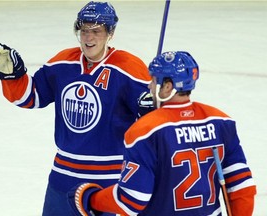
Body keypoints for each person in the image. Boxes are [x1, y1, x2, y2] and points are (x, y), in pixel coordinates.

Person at [0, 1, 152, 216]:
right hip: (63, 175)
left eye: (96, 31)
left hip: (108, 182)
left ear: (111, 33)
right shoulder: (62, 62)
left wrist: (149, 110)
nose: (88, 38)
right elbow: (31, 96)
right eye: (84, 31)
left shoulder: (129, 67)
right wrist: (13, 76)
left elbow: (153, 123)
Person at [68, 51, 257, 216]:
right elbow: (242, 187)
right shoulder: (221, 121)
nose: (149, 86)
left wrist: (91, 199)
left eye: (154, 80)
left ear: (168, 86)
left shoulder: (145, 131)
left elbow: (133, 199)